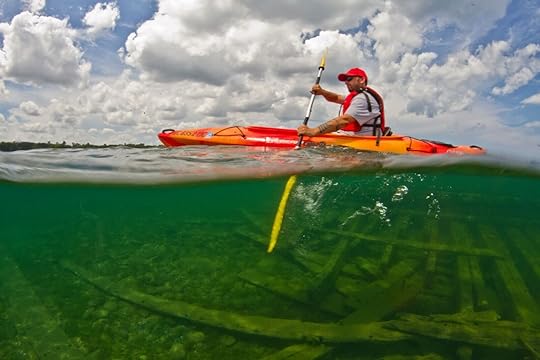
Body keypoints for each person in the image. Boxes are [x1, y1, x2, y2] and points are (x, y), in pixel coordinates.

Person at [297, 67, 388, 137]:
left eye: (349, 79)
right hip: (348, 136)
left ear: (362, 80)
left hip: (362, 141)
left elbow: (344, 120)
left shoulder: (362, 99)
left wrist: (313, 131)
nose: (346, 82)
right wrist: (322, 92)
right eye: (345, 80)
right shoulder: (357, 96)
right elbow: (336, 98)